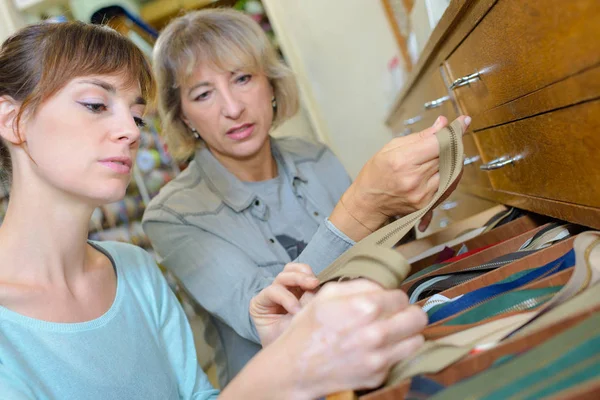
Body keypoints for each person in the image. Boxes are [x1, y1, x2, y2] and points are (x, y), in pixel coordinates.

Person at [0, 21, 427, 399]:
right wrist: (279, 373)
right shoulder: (172, 217)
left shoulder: (134, 269)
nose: (129, 131)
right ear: (12, 120)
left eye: (137, 115)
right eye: (96, 105)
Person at [143, 8, 469, 387]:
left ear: (271, 82)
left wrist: (410, 211)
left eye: (243, 78)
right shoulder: (172, 216)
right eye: (203, 94)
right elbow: (271, 320)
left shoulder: (315, 156)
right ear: (183, 117)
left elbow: (372, 260)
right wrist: (363, 204)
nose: (232, 108)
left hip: (376, 358)